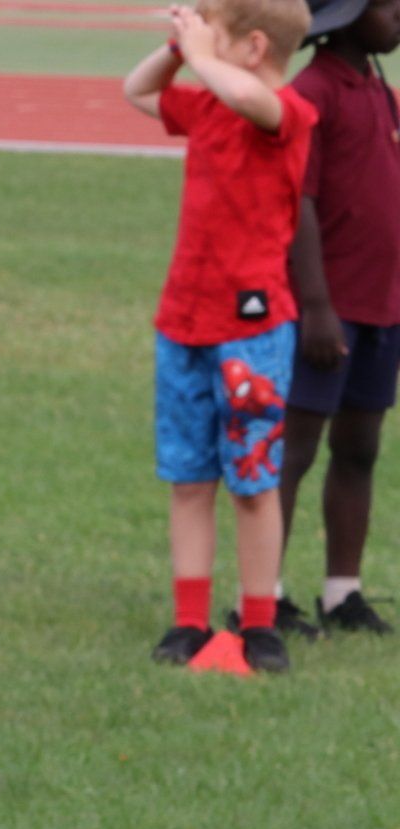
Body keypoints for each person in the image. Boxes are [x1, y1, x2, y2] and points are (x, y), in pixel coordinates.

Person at [124, 0, 317, 672]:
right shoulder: (206, 106)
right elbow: (137, 91)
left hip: (252, 333)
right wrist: (182, 47)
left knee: (253, 481)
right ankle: (188, 621)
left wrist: (205, 55)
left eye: (214, 30)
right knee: (188, 478)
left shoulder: (287, 115)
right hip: (183, 320)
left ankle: (259, 621)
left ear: (254, 45)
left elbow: (250, 97)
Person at [281, 0, 400, 635]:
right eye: (384, 4)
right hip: (328, 313)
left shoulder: (381, 90)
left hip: (382, 308)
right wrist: (317, 306)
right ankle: (263, 593)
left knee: (360, 448)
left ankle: (341, 591)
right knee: (294, 451)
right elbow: (297, 202)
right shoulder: (313, 91)